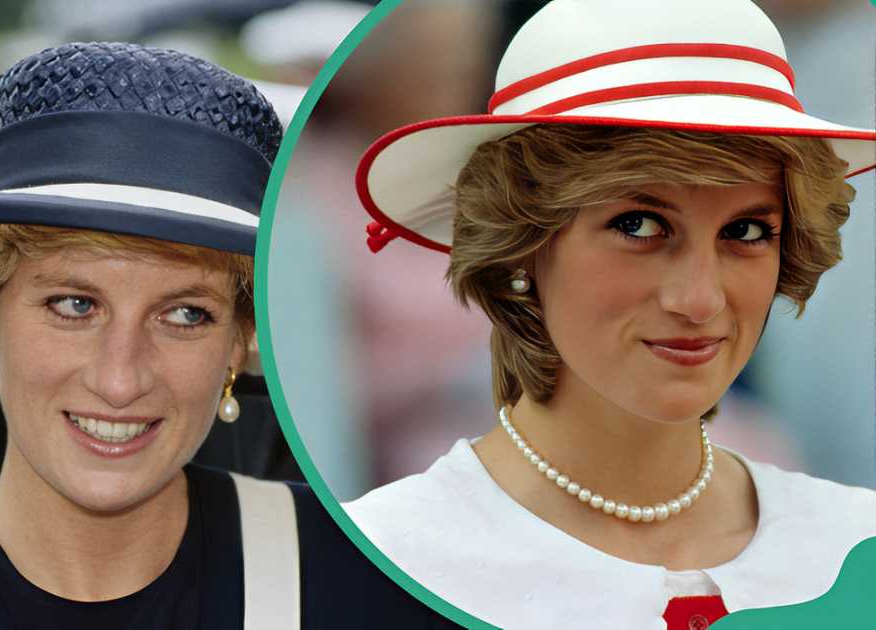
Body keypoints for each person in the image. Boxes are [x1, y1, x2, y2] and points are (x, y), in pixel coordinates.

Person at [0, 42, 452, 629]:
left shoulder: (389, 589)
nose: (120, 379)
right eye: (73, 305)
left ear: (239, 341)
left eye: (185, 315)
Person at [347, 1, 876, 628]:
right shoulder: (380, 559)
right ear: (523, 246)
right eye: (640, 226)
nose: (700, 300)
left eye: (746, 231)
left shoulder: (854, 540)